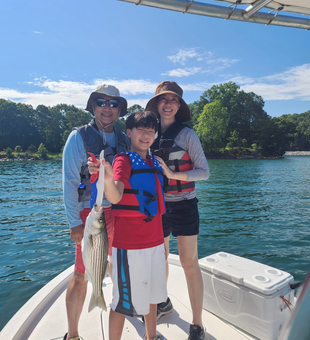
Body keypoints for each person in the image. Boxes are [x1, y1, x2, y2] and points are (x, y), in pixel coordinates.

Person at [62, 84, 130, 340]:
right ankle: (73, 334)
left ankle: (121, 313)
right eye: (101, 102)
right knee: (81, 275)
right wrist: (74, 222)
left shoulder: (125, 139)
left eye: (114, 104)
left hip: (120, 213)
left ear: (119, 110)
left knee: (119, 267)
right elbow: (69, 182)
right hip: (89, 216)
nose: (107, 108)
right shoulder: (78, 137)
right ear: (93, 106)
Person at [145, 81, 210, 340]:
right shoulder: (147, 133)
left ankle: (197, 323)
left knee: (188, 262)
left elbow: (204, 172)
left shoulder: (188, 135)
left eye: (174, 100)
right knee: (159, 258)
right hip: (157, 206)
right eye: (164, 99)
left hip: (184, 204)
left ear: (179, 105)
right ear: (157, 104)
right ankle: (163, 303)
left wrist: (172, 173)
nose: (168, 104)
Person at [96, 111, 167, 340]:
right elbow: (116, 196)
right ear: (129, 133)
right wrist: (107, 178)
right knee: (122, 302)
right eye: (141, 130)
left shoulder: (155, 162)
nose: (146, 135)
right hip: (129, 246)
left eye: (151, 131)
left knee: (153, 296)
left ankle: (151, 336)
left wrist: (164, 246)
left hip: (155, 241)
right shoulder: (123, 160)